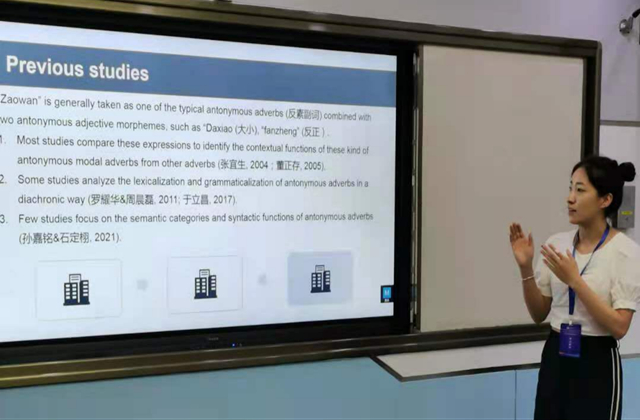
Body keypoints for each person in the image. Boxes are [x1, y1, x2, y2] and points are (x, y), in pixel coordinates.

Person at [509, 155, 640, 420]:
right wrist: (525, 267)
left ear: (605, 200)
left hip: (596, 361)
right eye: (570, 188)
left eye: (580, 190)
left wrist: (575, 282)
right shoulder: (557, 244)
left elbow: (619, 327)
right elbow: (538, 313)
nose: (570, 198)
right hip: (556, 355)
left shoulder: (626, 252)